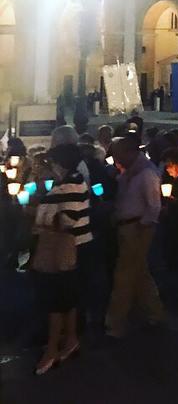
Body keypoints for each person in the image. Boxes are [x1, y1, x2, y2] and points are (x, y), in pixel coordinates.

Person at [32, 141, 91, 375]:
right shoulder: (76, 181)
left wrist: (39, 215)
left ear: (59, 163)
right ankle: (71, 340)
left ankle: (53, 349)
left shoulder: (64, 188)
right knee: (68, 300)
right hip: (79, 246)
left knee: (54, 302)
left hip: (63, 251)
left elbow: (67, 220)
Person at [106, 134, 165, 338]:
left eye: (119, 153)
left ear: (131, 152)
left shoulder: (146, 173)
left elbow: (154, 205)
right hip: (129, 226)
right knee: (139, 273)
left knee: (124, 275)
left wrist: (142, 227)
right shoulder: (130, 171)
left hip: (137, 228)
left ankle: (115, 323)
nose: (116, 158)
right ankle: (155, 312)